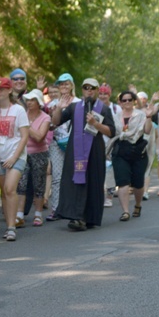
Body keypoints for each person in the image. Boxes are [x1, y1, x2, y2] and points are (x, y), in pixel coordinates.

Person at [52, 78, 115, 231]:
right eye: (86, 88)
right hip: (75, 152)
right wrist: (59, 108)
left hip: (95, 151)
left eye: (92, 88)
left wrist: (96, 124)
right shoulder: (74, 107)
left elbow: (111, 131)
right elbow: (56, 122)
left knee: (93, 183)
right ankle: (76, 217)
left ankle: (89, 217)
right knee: (75, 182)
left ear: (97, 90)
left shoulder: (104, 109)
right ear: (82, 90)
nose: (89, 91)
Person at [0, 78, 32, 241]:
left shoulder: (18, 110)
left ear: (9, 91)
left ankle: (12, 227)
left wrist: (14, 157)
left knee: (10, 188)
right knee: (4, 192)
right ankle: (8, 224)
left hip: (16, 155)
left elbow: (24, 136)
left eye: (3, 89)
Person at [106, 91, 152, 221]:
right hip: (120, 151)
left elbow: (147, 130)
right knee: (123, 182)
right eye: (124, 100)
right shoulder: (115, 116)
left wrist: (149, 117)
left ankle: (138, 205)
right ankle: (125, 211)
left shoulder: (141, 115)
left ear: (134, 101)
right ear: (120, 102)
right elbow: (111, 132)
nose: (127, 102)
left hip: (138, 151)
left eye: (130, 100)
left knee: (138, 184)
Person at [46, 73, 81, 221]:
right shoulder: (53, 104)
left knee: (76, 176)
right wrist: (59, 108)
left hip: (75, 143)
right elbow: (52, 125)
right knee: (57, 177)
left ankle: (74, 207)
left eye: (66, 83)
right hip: (57, 143)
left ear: (72, 85)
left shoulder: (80, 102)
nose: (64, 86)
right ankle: (56, 209)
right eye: (61, 84)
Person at [18, 89, 51, 227]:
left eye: (32, 100)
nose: (29, 103)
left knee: (39, 183)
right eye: (28, 100)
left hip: (40, 153)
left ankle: (38, 214)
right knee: (21, 183)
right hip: (23, 153)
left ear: (39, 103)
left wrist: (27, 126)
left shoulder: (45, 118)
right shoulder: (22, 115)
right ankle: (19, 215)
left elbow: (39, 137)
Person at [98, 83, 120, 208]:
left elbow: (121, 125)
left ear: (109, 94)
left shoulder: (116, 108)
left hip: (112, 142)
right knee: (100, 170)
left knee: (109, 170)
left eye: (105, 94)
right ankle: (100, 194)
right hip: (98, 142)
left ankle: (109, 196)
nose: (102, 96)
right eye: (100, 93)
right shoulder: (94, 107)